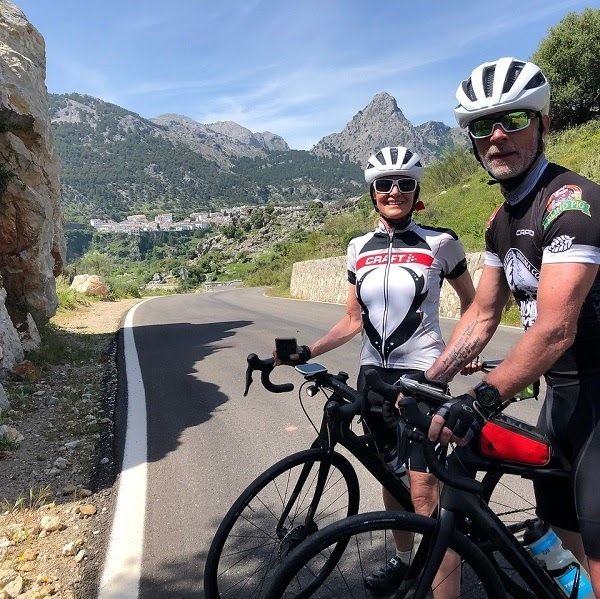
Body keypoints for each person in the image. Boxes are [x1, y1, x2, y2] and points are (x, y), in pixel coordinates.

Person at [421, 57, 600, 596]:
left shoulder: (573, 204)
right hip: (561, 399)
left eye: (514, 120)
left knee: (596, 550)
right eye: (482, 126)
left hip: (599, 398)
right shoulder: (500, 222)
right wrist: (429, 381)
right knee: (563, 548)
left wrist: (481, 398)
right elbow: (481, 315)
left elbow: (555, 330)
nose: (497, 136)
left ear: (544, 124)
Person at [275, 145, 475, 595]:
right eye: (384, 185)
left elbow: (474, 305)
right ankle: (406, 564)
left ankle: (441, 586)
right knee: (390, 476)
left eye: (405, 184)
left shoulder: (440, 242)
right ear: (372, 193)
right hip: (374, 380)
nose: (394, 191)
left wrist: (461, 353)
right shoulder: (357, 249)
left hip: (423, 379)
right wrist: (307, 349)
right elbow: (352, 320)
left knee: (425, 494)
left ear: (416, 190)